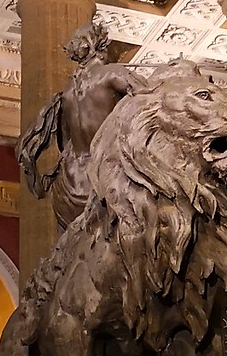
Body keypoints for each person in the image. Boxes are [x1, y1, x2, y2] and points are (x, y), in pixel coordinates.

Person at [15, 15, 139, 234]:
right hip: (106, 173)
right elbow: (147, 103)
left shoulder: (67, 93)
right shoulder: (112, 75)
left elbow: (65, 141)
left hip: (71, 179)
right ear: (97, 45)